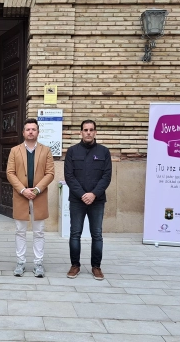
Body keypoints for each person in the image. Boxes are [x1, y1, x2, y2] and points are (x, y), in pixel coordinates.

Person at [6, 118, 55, 278]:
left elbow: (50, 173)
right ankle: (20, 262)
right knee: (20, 231)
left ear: (38, 132)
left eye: (34, 129)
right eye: (28, 129)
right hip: (21, 196)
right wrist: (22, 190)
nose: (31, 132)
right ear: (23, 132)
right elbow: (10, 173)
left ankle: (38, 263)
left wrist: (37, 189)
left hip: (39, 196)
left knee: (39, 231)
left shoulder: (46, 150)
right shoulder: (15, 150)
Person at [64, 119, 112, 280]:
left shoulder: (104, 152)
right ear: (81, 132)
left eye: (91, 130)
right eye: (85, 130)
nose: (88, 132)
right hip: (77, 201)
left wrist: (93, 194)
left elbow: (106, 176)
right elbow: (69, 176)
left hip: (97, 201)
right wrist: (82, 194)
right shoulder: (72, 151)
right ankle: (75, 265)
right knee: (75, 233)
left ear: (95, 132)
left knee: (96, 234)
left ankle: (96, 267)